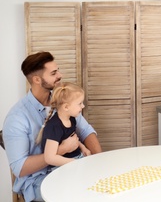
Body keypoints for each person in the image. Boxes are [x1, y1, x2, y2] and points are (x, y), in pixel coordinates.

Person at [2, 51, 102, 202]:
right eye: (54, 73)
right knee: (82, 193)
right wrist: (61, 150)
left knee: (102, 187)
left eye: (58, 70)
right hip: (38, 179)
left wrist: (97, 161)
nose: (60, 75)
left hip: (68, 169)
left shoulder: (62, 102)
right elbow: (20, 167)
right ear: (37, 79)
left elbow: (86, 131)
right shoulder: (17, 118)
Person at [36, 82, 91, 169]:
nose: (83, 106)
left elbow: (73, 138)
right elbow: (49, 158)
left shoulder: (72, 119)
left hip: (76, 159)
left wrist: (83, 148)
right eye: (80, 103)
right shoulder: (54, 127)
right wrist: (73, 163)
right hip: (62, 165)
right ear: (66, 107)